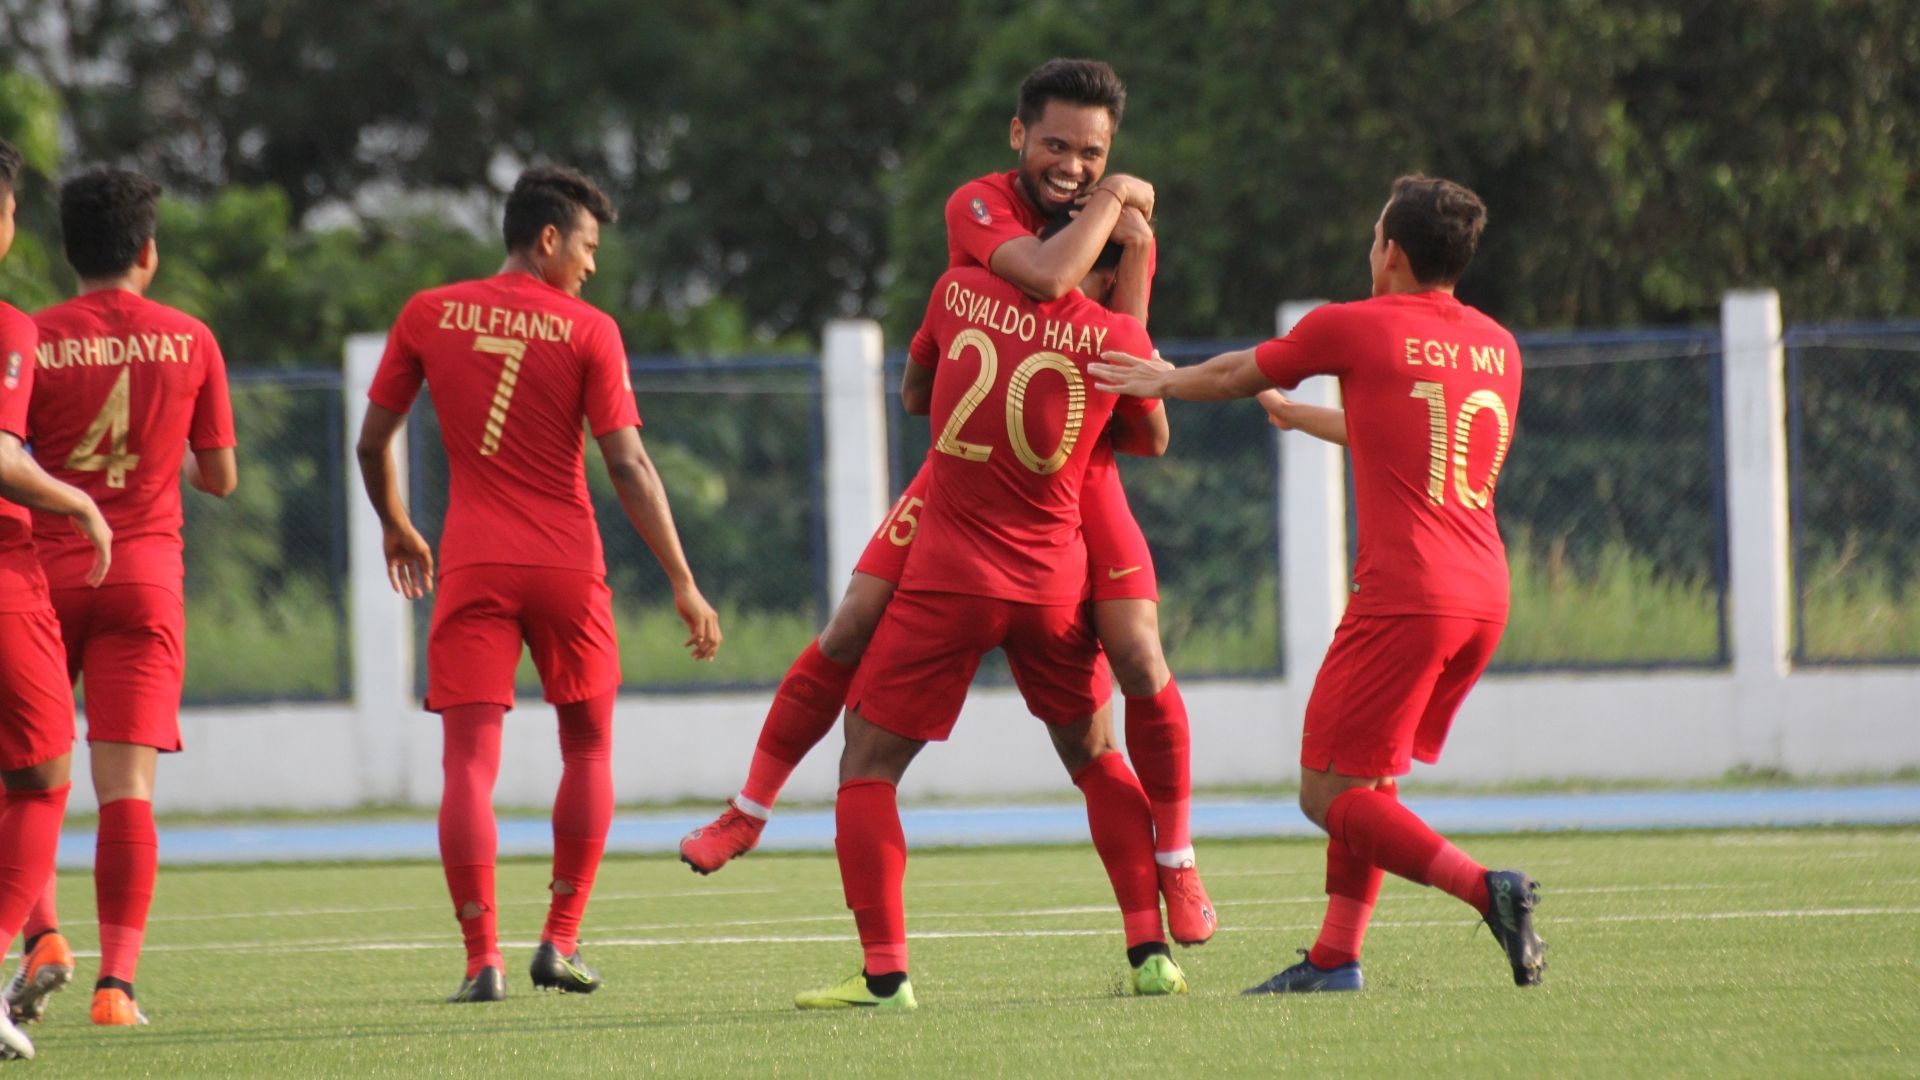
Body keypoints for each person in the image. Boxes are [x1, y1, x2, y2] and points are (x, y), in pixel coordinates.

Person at [681, 57, 1216, 950]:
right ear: (1017, 137)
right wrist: (1118, 200)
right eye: (1056, 144)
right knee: (849, 625)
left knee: (1138, 658)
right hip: (967, 475)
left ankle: (1178, 862)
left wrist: (1134, 257)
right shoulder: (981, 203)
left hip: (1076, 480)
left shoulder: (1118, 239)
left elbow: (1137, 409)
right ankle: (748, 810)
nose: (1073, 165)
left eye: (1093, 153)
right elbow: (1045, 278)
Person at [1090, 174, 1546, 992]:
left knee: (1325, 792)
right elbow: (1410, 431)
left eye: (1374, 237)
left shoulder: (1357, 325)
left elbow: (1233, 373)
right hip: (1483, 591)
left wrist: (1160, 379)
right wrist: (1300, 417)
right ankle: (1335, 959)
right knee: (1369, 777)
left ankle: (1488, 890)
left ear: (1392, 252)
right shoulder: (1496, 345)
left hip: (1408, 594)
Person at [355, 165, 722, 1003]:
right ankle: (559, 940)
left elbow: (372, 441)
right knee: (588, 748)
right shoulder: (591, 330)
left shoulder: (426, 312)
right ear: (549, 239)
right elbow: (625, 462)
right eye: (588, 248)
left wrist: (397, 523)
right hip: (566, 562)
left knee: (467, 768)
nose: (592, 267)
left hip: (473, 560)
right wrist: (683, 581)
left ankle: (480, 958)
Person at [794, 245, 1183, 1012]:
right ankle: (1152, 948)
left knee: (867, 760)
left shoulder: (962, 290)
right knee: (1097, 752)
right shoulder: (1112, 333)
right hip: (1052, 578)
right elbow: (1152, 437)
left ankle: (885, 975)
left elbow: (913, 395)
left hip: (954, 566)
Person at [3, 168, 238, 1031]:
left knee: (27, 776)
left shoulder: (33, 334)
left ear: (67, 250)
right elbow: (219, 478)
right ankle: (117, 989)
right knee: (126, 789)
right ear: (148, 251)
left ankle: (43, 937)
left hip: (40, 575)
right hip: (142, 576)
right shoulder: (192, 338)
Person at [0, 138, 114, 1063]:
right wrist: (76, 499)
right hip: (4, 575)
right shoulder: (8, 326)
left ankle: (44, 939)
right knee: (41, 775)